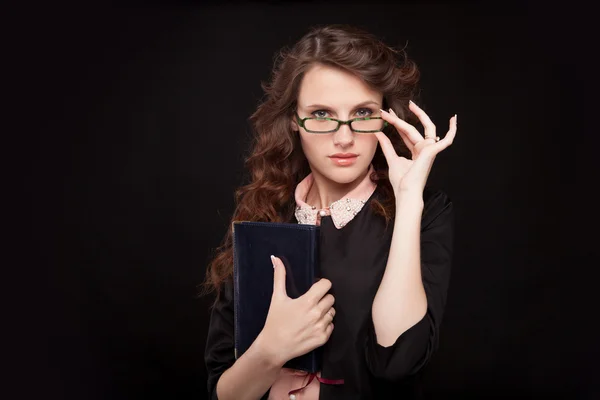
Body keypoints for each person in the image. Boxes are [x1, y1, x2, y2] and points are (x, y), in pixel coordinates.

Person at [201, 23, 457, 400]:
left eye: (363, 113)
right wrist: (270, 350)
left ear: (387, 118)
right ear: (294, 119)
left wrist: (407, 201)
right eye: (321, 114)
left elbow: (397, 361)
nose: (344, 137)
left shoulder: (424, 209)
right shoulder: (263, 212)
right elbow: (221, 390)